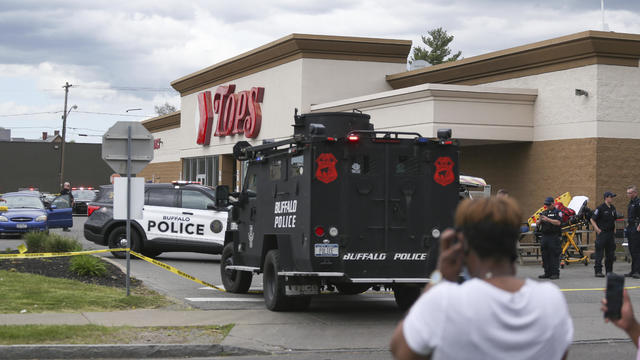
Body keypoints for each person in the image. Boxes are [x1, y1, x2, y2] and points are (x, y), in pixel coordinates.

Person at [390, 197, 573, 360]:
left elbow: (400, 350)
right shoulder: (551, 300)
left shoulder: (444, 301)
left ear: (463, 243)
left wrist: (438, 277)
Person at [591, 191, 618, 277]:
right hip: (602, 233)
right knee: (599, 253)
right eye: (611, 197)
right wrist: (597, 229)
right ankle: (598, 271)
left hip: (610, 234)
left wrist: (614, 229)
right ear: (606, 198)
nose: (612, 198)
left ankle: (609, 271)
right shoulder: (600, 208)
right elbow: (592, 219)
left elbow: (614, 220)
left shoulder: (613, 208)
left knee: (610, 254)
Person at [537, 197, 563, 280]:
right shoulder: (544, 212)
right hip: (545, 236)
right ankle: (547, 272)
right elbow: (537, 223)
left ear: (553, 203)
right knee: (545, 254)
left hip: (553, 236)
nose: (547, 206)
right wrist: (540, 220)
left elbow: (558, 222)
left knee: (554, 255)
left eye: (548, 204)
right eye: (546, 205)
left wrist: (548, 219)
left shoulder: (558, 212)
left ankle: (555, 273)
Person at [627, 185, 640, 278]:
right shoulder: (631, 203)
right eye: (627, 193)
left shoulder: (638, 202)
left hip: (636, 228)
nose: (628, 195)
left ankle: (637, 271)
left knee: (636, 250)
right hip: (630, 227)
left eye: (630, 193)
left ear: (635, 193)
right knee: (631, 250)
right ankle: (633, 270)